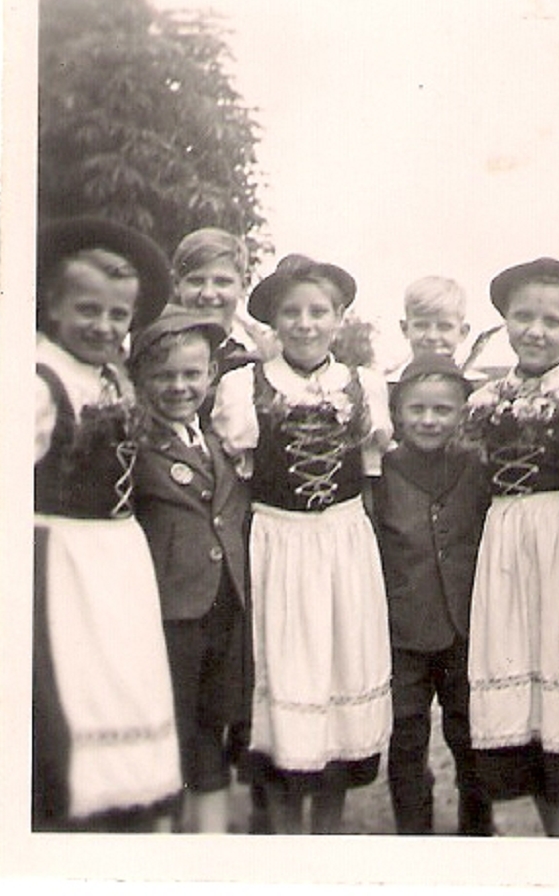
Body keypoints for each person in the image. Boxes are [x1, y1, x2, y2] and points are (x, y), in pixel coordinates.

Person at [211, 254, 393, 834]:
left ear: (339, 319)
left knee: (339, 668)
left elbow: (370, 477)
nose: (306, 323)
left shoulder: (365, 385)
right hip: (278, 543)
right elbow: (237, 480)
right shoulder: (243, 386)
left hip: (342, 542)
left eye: (319, 311)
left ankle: (328, 833)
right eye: (291, 312)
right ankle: (286, 834)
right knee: (286, 672)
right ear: (272, 321)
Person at [33, 215, 181, 831]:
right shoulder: (38, 379)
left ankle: (125, 804)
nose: (102, 326)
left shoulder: (111, 376)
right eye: (87, 310)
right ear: (52, 306)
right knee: (74, 688)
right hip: (64, 557)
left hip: (118, 556)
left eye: (117, 315)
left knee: (122, 680)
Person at [464, 257, 559, 837]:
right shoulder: (485, 397)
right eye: (523, 317)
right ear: (505, 320)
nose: (536, 331)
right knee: (528, 702)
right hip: (506, 544)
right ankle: (554, 838)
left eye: (553, 321)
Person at [129, 305, 251, 834]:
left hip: (224, 605)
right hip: (170, 609)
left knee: (211, 723)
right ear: (141, 380)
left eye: (191, 374)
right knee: (169, 724)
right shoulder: (136, 446)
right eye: (164, 376)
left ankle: (209, 838)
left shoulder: (219, 441)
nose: (179, 387)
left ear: (211, 375)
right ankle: (160, 839)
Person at [372, 354, 494, 836]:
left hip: (466, 625)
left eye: (442, 410)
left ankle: (477, 831)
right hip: (403, 628)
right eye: (416, 409)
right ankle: (413, 835)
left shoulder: (477, 466)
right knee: (405, 735)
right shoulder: (382, 470)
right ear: (397, 413)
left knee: (470, 732)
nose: (428, 420)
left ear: (462, 412)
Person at [171, 226, 278, 378]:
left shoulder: (265, 354)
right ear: (176, 284)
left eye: (222, 282)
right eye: (196, 281)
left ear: (244, 284)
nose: (208, 293)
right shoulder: (155, 348)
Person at [386, 276, 473, 386]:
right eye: (421, 326)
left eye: (444, 327)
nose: (432, 336)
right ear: (405, 328)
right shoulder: (389, 385)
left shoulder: (476, 386)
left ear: (462, 332)